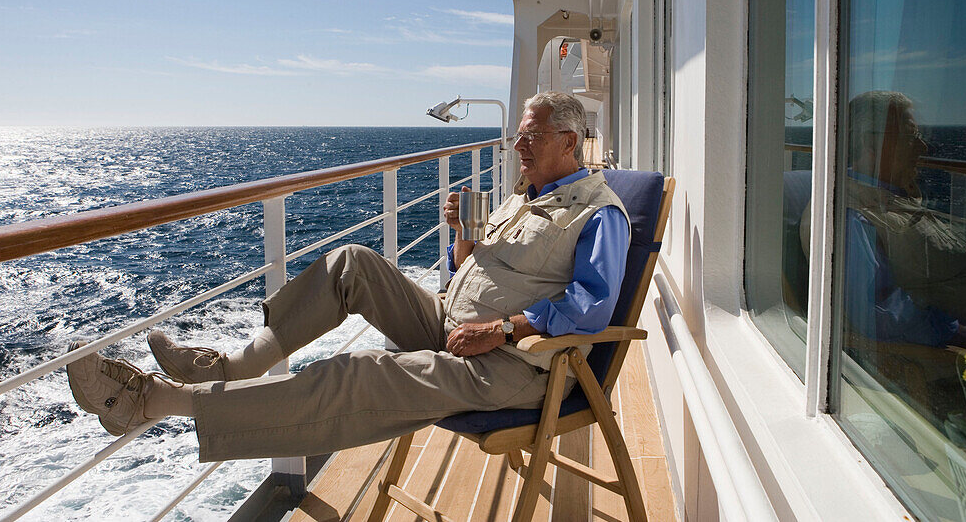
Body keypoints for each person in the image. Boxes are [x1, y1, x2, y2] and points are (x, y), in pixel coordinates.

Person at [67, 91, 630, 461]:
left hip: (514, 365)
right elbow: (473, 269)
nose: (518, 145)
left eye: (530, 136)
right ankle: (233, 366)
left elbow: (591, 306)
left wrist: (503, 331)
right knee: (352, 263)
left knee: (354, 375)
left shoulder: (597, 213)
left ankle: (149, 402)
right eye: (518, 135)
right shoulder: (521, 198)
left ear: (569, 142)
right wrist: (462, 239)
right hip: (452, 323)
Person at [800, 91, 966, 348]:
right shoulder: (851, 217)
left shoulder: (890, 198)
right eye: (911, 138)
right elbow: (880, 316)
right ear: (870, 146)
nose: (923, 147)